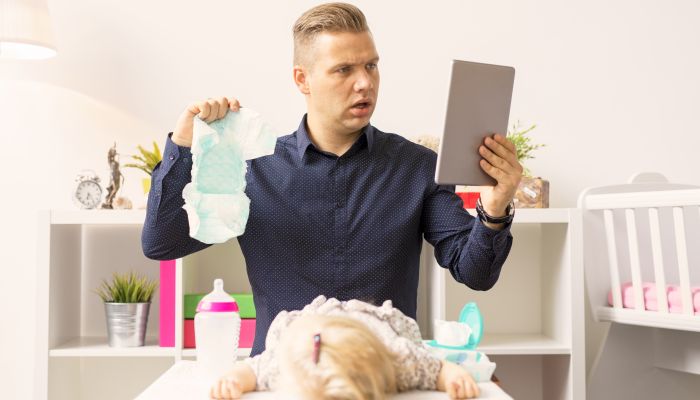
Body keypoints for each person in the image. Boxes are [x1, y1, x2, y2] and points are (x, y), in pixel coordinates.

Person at [142, 2, 522, 357]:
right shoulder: (253, 168)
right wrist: (183, 146)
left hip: (385, 380)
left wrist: (494, 207)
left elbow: (475, 273)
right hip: (283, 380)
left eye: (371, 66)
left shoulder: (417, 167)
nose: (364, 83)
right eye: (344, 70)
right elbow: (161, 243)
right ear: (302, 79)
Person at [209, 295, 481, 399]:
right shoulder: (284, 364)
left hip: (374, 323)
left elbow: (439, 370)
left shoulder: (399, 359)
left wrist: (454, 376)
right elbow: (251, 370)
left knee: (412, 335)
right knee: (280, 337)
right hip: (310, 322)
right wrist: (233, 379)